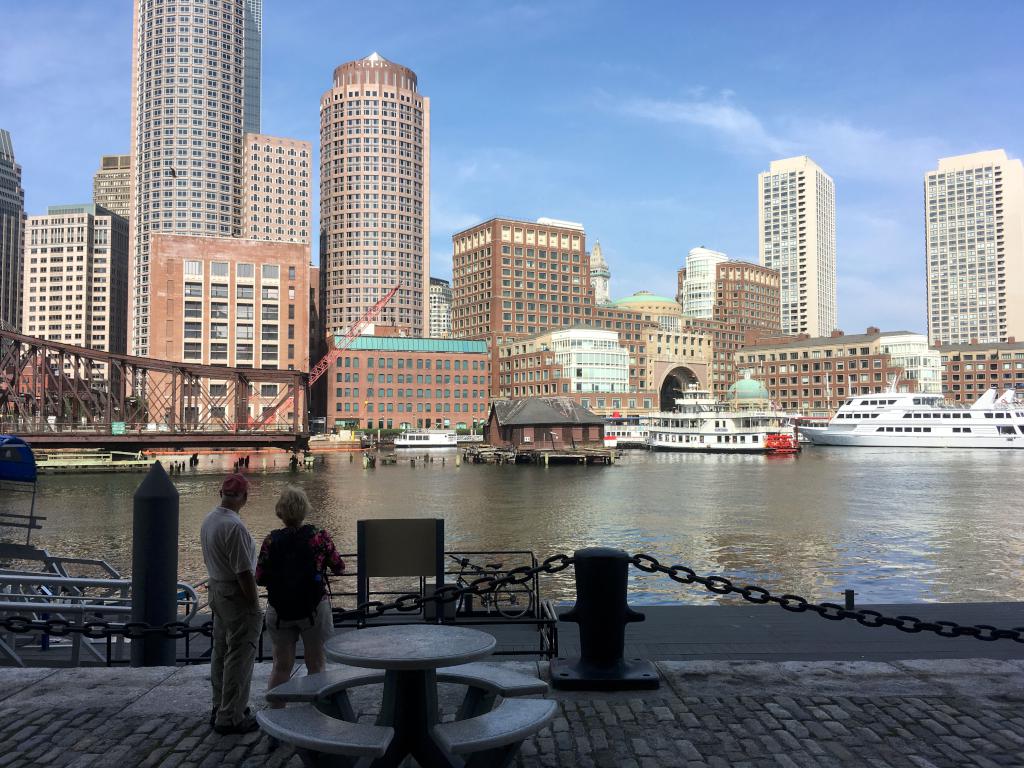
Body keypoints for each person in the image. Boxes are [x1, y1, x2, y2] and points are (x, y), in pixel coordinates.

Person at [255, 485, 345, 707]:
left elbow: (259, 578)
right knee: (316, 664)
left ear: (280, 512)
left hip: (279, 608)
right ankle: (316, 713)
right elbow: (339, 567)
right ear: (305, 510)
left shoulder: (270, 541)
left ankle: (276, 715)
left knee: (281, 666)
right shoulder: (318, 537)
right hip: (313, 607)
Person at [200, 473, 262, 734]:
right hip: (235, 595)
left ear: (220, 494)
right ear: (245, 497)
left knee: (221, 653)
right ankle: (233, 715)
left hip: (216, 590)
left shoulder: (209, 520)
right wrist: (255, 605)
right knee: (240, 656)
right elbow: (244, 573)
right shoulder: (235, 527)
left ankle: (219, 706)